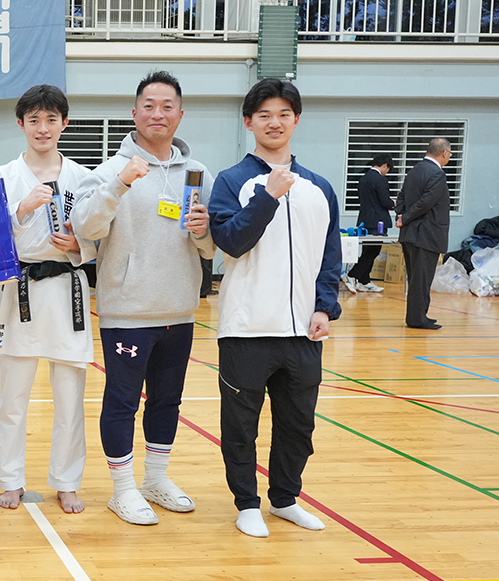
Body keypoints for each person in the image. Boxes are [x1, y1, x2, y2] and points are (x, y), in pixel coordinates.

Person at [70, 70, 214, 527]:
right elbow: (85, 227)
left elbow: (211, 247)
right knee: (122, 402)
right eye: (149, 106)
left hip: (180, 310)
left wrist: (204, 232)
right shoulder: (109, 171)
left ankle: (155, 479)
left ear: (180, 115)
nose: (158, 114)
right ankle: (123, 490)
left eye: (167, 106)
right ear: (134, 114)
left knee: (167, 402)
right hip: (127, 312)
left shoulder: (197, 173)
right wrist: (119, 185)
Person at [207, 80, 341, 537]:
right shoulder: (233, 181)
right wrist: (269, 195)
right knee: (241, 425)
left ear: (296, 120)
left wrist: (324, 307)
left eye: (284, 113)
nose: (274, 122)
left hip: (303, 332)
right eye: (264, 114)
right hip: (246, 329)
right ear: (249, 122)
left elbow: (329, 255)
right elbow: (231, 242)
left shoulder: (319, 187)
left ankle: (285, 499)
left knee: (298, 425)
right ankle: (246, 503)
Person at [0, 85, 93, 514]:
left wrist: (81, 247)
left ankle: (66, 481)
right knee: (13, 396)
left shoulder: (84, 177)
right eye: (34, 120)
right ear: (21, 124)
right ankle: (11, 479)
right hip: (19, 291)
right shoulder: (4, 175)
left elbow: (102, 236)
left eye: (51, 120)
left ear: (64, 123)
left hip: (68, 290)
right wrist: (21, 210)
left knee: (69, 396)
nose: (43, 128)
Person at [396, 138, 452, 330]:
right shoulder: (437, 174)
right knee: (421, 280)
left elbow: (401, 196)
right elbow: (427, 202)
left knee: (416, 278)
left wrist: (401, 215)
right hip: (426, 234)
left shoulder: (414, 170)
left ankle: (418, 315)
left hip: (410, 234)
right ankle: (417, 319)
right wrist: (405, 217)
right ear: (444, 153)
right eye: (450, 154)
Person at [342, 153, 396, 293]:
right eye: (388, 169)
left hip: (365, 220)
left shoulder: (363, 178)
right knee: (373, 251)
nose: (387, 172)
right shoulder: (380, 180)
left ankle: (364, 280)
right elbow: (385, 201)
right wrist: (394, 203)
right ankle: (351, 275)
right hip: (378, 221)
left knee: (367, 251)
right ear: (385, 165)